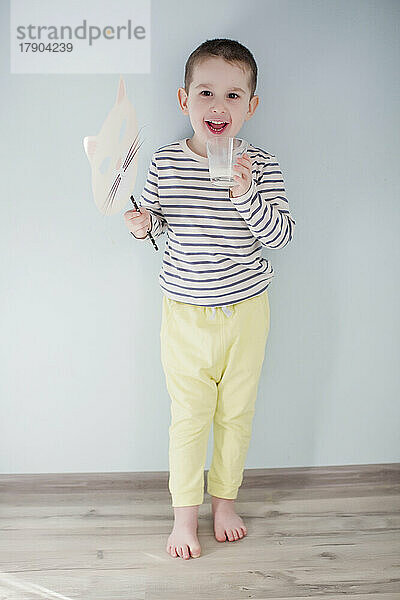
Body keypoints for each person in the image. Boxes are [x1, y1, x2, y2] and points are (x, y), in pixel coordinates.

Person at [124, 38, 296, 560]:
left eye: (233, 95)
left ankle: (224, 502)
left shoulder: (262, 165)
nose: (218, 107)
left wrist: (245, 196)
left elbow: (281, 236)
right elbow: (156, 226)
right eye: (205, 93)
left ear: (251, 105)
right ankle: (184, 517)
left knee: (236, 413)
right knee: (189, 416)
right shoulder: (164, 163)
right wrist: (140, 225)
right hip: (185, 315)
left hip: (246, 313)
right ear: (184, 100)